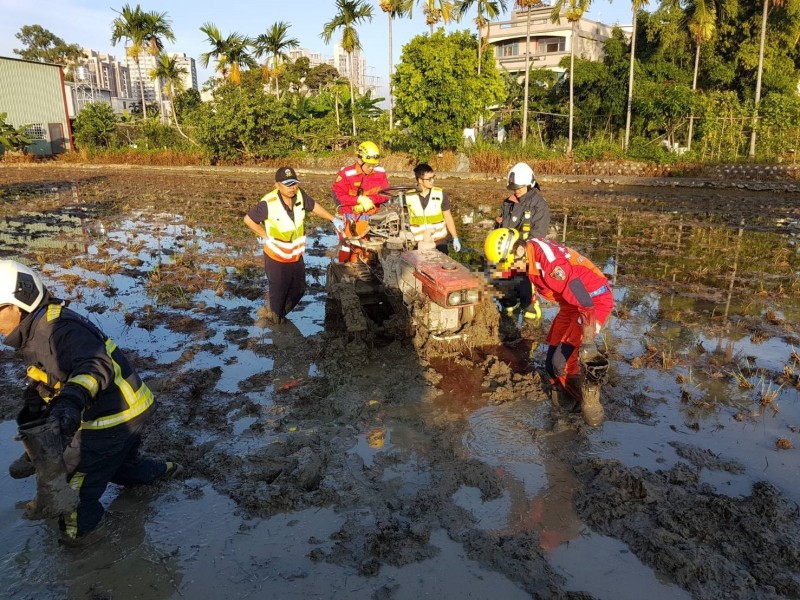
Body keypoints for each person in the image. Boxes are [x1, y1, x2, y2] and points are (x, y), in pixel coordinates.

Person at [0, 260, 181, 544]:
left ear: (19, 301)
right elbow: (54, 370)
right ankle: (165, 470)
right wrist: (36, 396)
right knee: (122, 467)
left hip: (113, 417)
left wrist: (71, 401)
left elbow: (95, 365)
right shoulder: (37, 327)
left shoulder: (57, 328)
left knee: (73, 490)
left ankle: (79, 541)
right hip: (130, 409)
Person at [484, 228, 613, 426]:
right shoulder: (527, 252)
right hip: (570, 305)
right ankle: (563, 403)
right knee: (551, 361)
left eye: (510, 264)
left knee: (562, 362)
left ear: (517, 252)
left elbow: (586, 304)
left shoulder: (553, 267)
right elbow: (501, 272)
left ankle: (589, 402)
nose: (511, 270)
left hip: (592, 303)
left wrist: (587, 343)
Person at [244, 166, 343, 324]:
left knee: (299, 290)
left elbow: (314, 206)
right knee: (279, 292)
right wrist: (265, 236)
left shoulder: (300, 195)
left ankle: (276, 315)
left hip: (295, 255)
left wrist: (333, 219)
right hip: (276, 256)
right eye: (287, 184)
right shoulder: (268, 203)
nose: (292, 187)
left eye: (294, 183)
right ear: (277, 185)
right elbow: (248, 220)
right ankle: (276, 323)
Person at [495, 162, 551, 324]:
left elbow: (538, 234)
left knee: (525, 284)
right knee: (505, 284)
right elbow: (503, 226)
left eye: (519, 188)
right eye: (514, 188)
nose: (516, 191)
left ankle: (532, 316)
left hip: (527, 252)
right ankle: (510, 308)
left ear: (529, 184)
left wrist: (522, 249)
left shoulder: (539, 205)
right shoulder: (509, 202)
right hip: (507, 252)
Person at [404, 163, 461, 254]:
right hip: (418, 243)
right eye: (429, 179)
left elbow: (448, 217)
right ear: (420, 180)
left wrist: (455, 237)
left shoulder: (440, 194)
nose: (432, 181)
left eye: (433, 177)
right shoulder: (408, 196)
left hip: (439, 241)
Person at [332, 141, 390, 219]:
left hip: (374, 217)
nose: (371, 168)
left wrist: (371, 199)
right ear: (360, 160)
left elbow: (386, 195)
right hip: (350, 217)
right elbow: (338, 198)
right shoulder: (346, 174)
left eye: (374, 165)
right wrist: (358, 199)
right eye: (368, 165)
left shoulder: (380, 173)